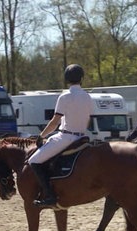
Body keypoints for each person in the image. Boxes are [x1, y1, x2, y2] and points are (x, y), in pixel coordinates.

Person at [28, 64, 94, 208]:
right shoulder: (87, 96)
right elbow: (88, 120)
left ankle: (50, 196)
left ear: (67, 79)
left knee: (34, 161)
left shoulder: (65, 96)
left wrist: (41, 135)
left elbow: (54, 121)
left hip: (66, 138)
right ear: (81, 78)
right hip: (82, 138)